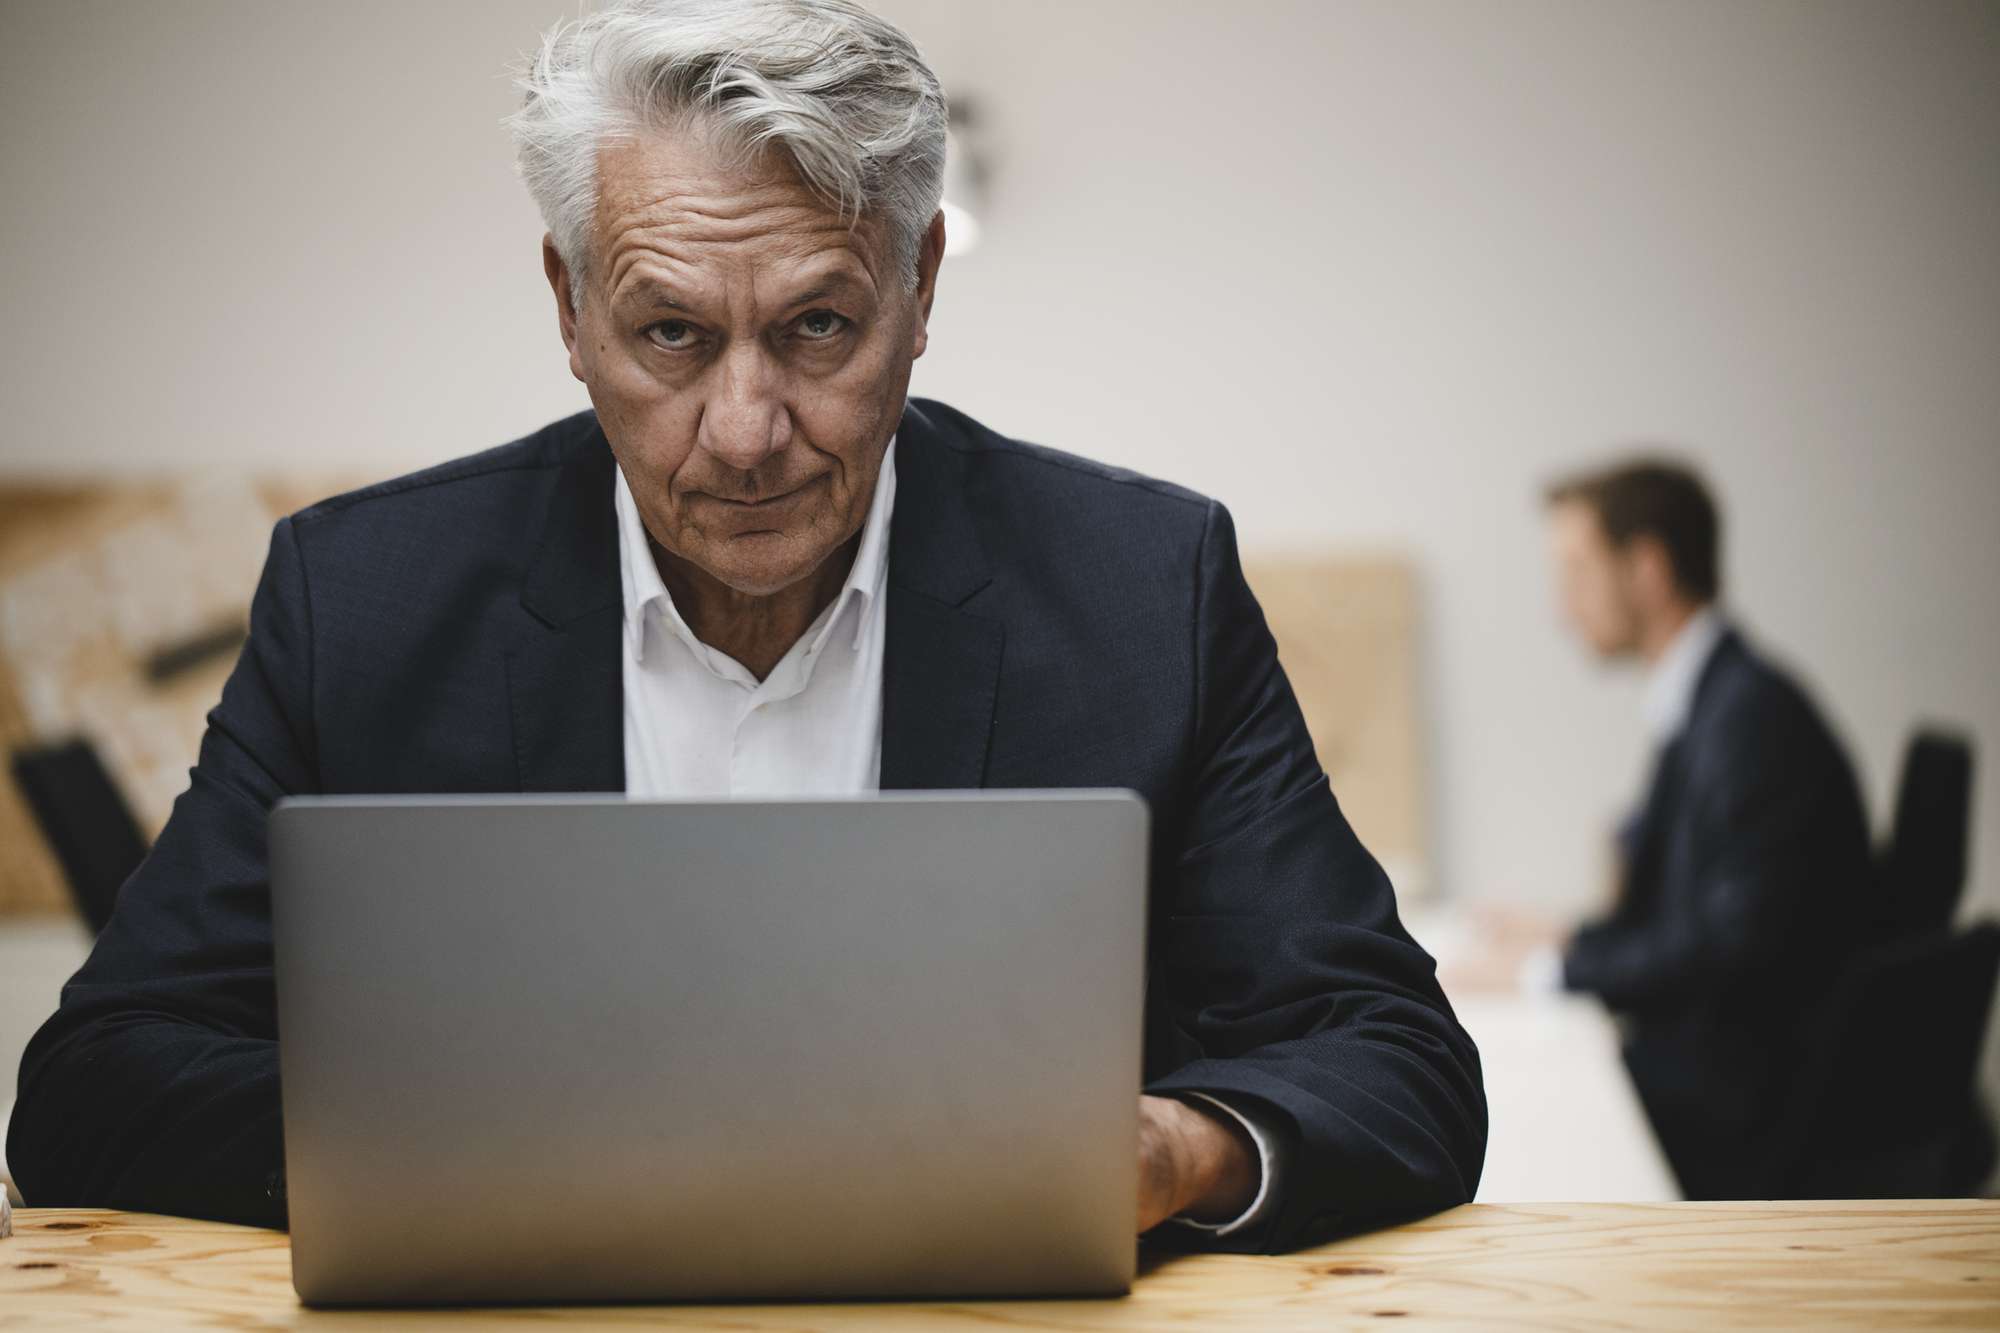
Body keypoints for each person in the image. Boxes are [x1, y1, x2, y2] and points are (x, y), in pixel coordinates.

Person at [6, 0, 1484, 1251]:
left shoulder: (1141, 587)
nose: (746, 428)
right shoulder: (364, 603)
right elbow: (91, 1088)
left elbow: (1399, 1063)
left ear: (917, 289)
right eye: (671, 334)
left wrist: (1176, 1152)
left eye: (818, 327)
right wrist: (465, 1143)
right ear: (569, 305)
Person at [1521, 458, 1872, 1198]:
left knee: (1517, 1124)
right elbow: (1687, 915)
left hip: (1745, 1113)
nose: (1561, 609)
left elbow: (1728, 943)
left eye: (1578, 572)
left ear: (1647, 568)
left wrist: (1549, 971)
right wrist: (1560, 938)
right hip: (1729, 1078)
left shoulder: (1750, 720)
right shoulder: (1714, 700)